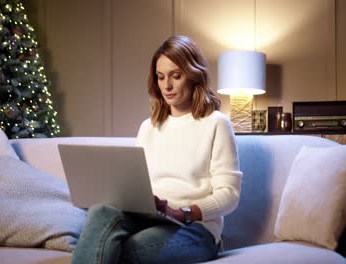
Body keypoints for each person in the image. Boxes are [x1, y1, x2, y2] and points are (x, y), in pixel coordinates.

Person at [71, 35, 242, 264]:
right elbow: (132, 184)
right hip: (146, 218)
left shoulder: (216, 123)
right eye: (160, 77)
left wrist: (185, 213)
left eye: (176, 76)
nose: (167, 86)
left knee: (123, 249)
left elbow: (229, 195)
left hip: (194, 228)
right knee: (100, 211)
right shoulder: (148, 127)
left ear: (194, 76)